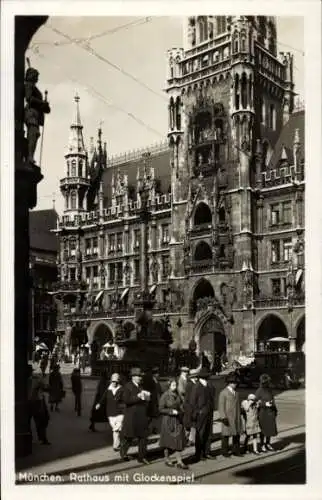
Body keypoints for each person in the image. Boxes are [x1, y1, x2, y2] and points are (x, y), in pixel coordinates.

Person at [120, 367, 151, 464]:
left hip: (141, 415)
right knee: (129, 437)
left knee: (143, 437)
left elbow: (143, 400)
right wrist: (138, 397)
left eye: (140, 376)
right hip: (131, 416)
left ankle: (142, 457)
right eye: (138, 376)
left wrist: (147, 399)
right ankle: (123, 453)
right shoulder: (127, 386)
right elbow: (126, 400)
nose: (140, 378)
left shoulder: (140, 386)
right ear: (133, 377)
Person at [159, 378, 188, 469]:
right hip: (168, 421)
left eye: (175, 385)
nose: (175, 387)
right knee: (168, 441)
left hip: (177, 420)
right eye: (173, 385)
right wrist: (171, 411)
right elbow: (160, 409)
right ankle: (167, 459)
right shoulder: (165, 395)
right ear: (169, 386)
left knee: (178, 440)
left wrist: (183, 410)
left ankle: (179, 461)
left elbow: (180, 405)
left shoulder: (178, 394)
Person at [189, 368, 216, 463]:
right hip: (201, 414)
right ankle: (199, 454)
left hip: (209, 412)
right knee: (200, 434)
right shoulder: (196, 387)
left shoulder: (209, 385)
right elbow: (192, 402)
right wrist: (197, 412)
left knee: (208, 433)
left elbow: (212, 397)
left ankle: (207, 452)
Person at [218, 372, 242, 457]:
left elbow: (239, 405)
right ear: (229, 383)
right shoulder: (223, 393)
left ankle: (236, 450)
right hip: (228, 417)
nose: (235, 384)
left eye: (236, 383)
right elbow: (221, 406)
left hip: (236, 417)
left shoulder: (237, 393)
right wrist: (223, 417)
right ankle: (224, 451)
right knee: (226, 435)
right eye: (234, 383)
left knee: (236, 434)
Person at [255, 374, 278, 452]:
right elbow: (255, 402)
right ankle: (262, 444)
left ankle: (268, 443)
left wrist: (275, 410)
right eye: (267, 382)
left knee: (270, 429)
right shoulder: (259, 390)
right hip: (263, 413)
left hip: (270, 412)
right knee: (263, 430)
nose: (268, 383)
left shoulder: (269, 390)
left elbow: (273, 399)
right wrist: (265, 404)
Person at [28, 366, 51, 445]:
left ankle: (33, 438)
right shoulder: (36, 379)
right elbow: (45, 387)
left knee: (33, 421)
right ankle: (42, 438)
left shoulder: (29, 379)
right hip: (37, 401)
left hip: (30, 401)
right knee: (42, 420)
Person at [106, 373, 124, 451]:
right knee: (116, 429)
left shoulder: (122, 389)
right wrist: (99, 404)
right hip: (110, 413)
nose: (114, 383)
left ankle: (115, 446)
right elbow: (103, 398)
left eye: (116, 381)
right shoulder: (108, 389)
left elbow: (125, 399)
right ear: (111, 381)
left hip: (120, 412)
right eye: (113, 381)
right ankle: (118, 442)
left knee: (117, 429)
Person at [183, 368, 199, 445]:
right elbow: (188, 398)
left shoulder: (194, 384)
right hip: (190, 407)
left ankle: (190, 439)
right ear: (192, 377)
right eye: (195, 377)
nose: (196, 378)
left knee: (192, 424)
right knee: (190, 424)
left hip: (192, 407)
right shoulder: (189, 385)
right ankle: (188, 440)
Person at [145, 367, 163, 434]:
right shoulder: (150, 381)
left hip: (156, 400)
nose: (158, 375)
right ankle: (148, 428)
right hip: (151, 401)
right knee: (151, 416)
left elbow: (159, 390)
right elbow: (149, 391)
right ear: (154, 374)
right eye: (157, 373)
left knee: (155, 416)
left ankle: (153, 429)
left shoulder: (156, 381)